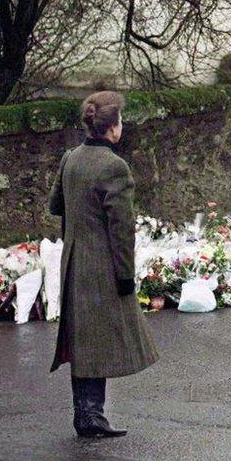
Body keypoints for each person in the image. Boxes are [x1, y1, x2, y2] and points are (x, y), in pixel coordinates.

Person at [47, 91, 159, 438]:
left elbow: (55, 205)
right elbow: (121, 229)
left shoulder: (71, 158)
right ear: (112, 129)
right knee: (97, 338)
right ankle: (91, 415)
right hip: (101, 264)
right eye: (120, 122)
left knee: (81, 337)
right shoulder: (114, 166)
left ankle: (86, 413)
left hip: (73, 260)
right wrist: (125, 275)